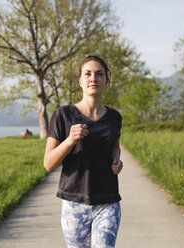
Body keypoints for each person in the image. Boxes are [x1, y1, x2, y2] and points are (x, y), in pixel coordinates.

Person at [44, 55, 123, 248]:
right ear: (80, 81)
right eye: (87, 74)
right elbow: (48, 163)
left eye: (99, 74)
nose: (93, 78)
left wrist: (117, 160)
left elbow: (115, 146)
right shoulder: (63, 115)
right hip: (74, 204)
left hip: (108, 201)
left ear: (106, 81)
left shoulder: (114, 117)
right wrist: (70, 140)